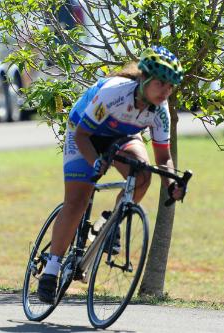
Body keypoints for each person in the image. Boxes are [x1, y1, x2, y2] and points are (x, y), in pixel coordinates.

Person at [37, 46, 188, 303]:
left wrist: (172, 182)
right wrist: (96, 162)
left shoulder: (159, 111)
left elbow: (163, 159)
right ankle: (51, 269)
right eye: (162, 84)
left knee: (142, 173)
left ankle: (111, 222)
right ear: (144, 79)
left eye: (171, 87)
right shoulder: (114, 93)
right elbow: (83, 135)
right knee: (77, 201)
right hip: (84, 133)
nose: (166, 92)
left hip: (122, 134)